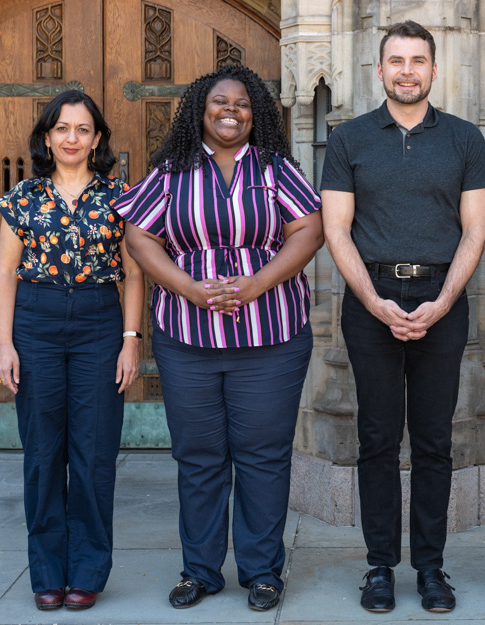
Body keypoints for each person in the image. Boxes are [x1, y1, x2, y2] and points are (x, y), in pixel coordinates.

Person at [113, 65, 323, 612]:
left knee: (263, 456)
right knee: (200, 455)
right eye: (220, 102)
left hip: (272, 335)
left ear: (257, 114)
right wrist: (188, 288)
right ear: (199, 110)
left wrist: (256, 283)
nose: (232, 111)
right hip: (188, 338)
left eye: (244, 104)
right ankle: (200, 570)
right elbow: (138, 237)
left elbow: (310, 231)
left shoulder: (275, 168)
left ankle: (261, 572)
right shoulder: (171, 171)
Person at [319, 20, 485, 614]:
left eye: (418, 61)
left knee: (435, 439)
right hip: (372, 298)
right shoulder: (350, 139)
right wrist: (372, 300)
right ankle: (378, 567)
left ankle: (431, 567)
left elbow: (476, 229)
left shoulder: (466, 139)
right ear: (381, 71)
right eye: (397, 60)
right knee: (376, 436)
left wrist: (442, 302)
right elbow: (335, 229)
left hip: (443, 296)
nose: (408, 70)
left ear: (434, 70)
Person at [0, 90, 144, 612]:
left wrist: (129, 341)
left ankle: (86, 572)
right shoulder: (22, 198)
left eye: (82, 129)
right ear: (47, 137)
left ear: (97, 138)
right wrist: (5, 344)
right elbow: (5, 276)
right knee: (41, 456)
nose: (72, 138)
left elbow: (133, 273)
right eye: (62, 128)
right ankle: (47, 574)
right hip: (35, 320)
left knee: (94, 455)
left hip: (100, 324)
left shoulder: (120, 196)